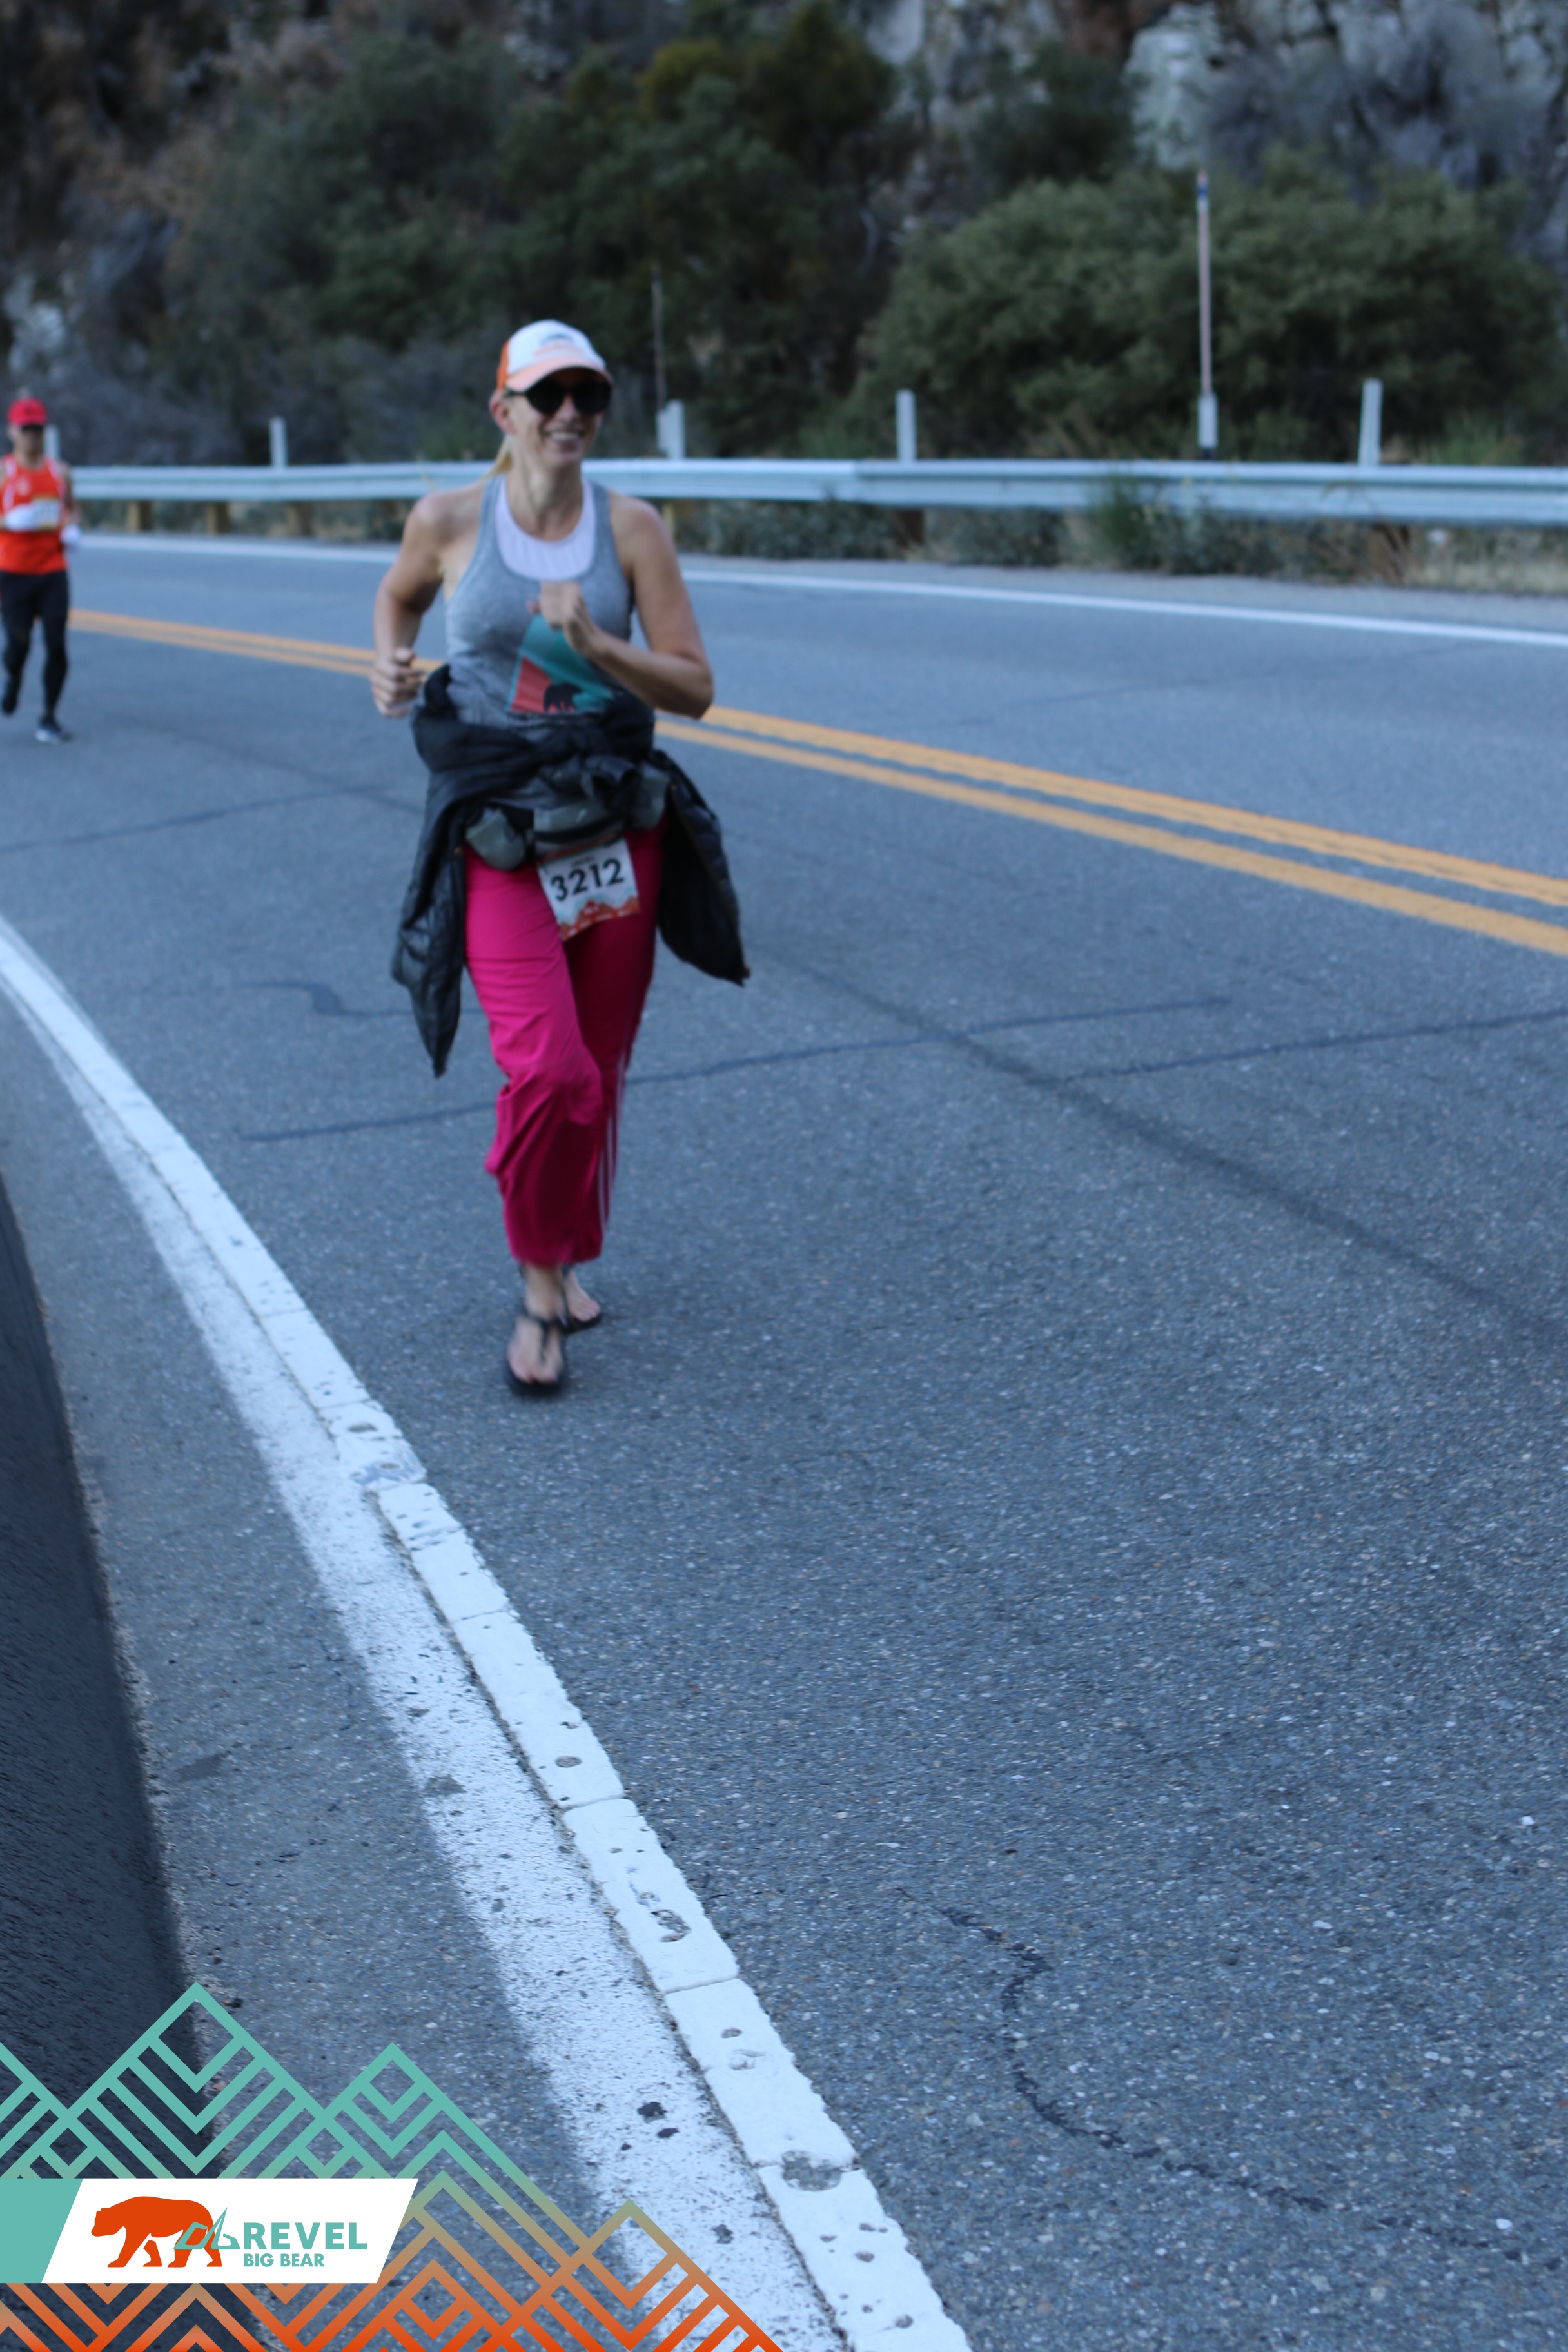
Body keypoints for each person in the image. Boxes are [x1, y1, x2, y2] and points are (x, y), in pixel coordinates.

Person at [371, 320, 715, 1393]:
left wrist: (600, 645)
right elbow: (398, 596)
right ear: (504, 409)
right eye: (549, 393)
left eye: (588, 394)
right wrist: (386, 662)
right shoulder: (448, 519)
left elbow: (695, 687)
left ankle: (557, 1249)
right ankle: (538, 1290)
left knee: (594, 1073)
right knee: (547, 1069)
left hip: (611, 830)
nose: (570, 412)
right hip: (501, 832)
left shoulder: (632, 530)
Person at [1, 395, 79, 743]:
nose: (32, 436)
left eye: (37, 429)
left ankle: (49, 717)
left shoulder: (60, 472)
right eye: (26, 429)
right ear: (12, 431)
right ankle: (13, 678)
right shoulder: (4, 473)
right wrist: (9, 521)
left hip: (52, 570)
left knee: (57, 645)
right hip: (14, 573)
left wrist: (73, 528)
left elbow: (71, 508)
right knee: (18, 648)